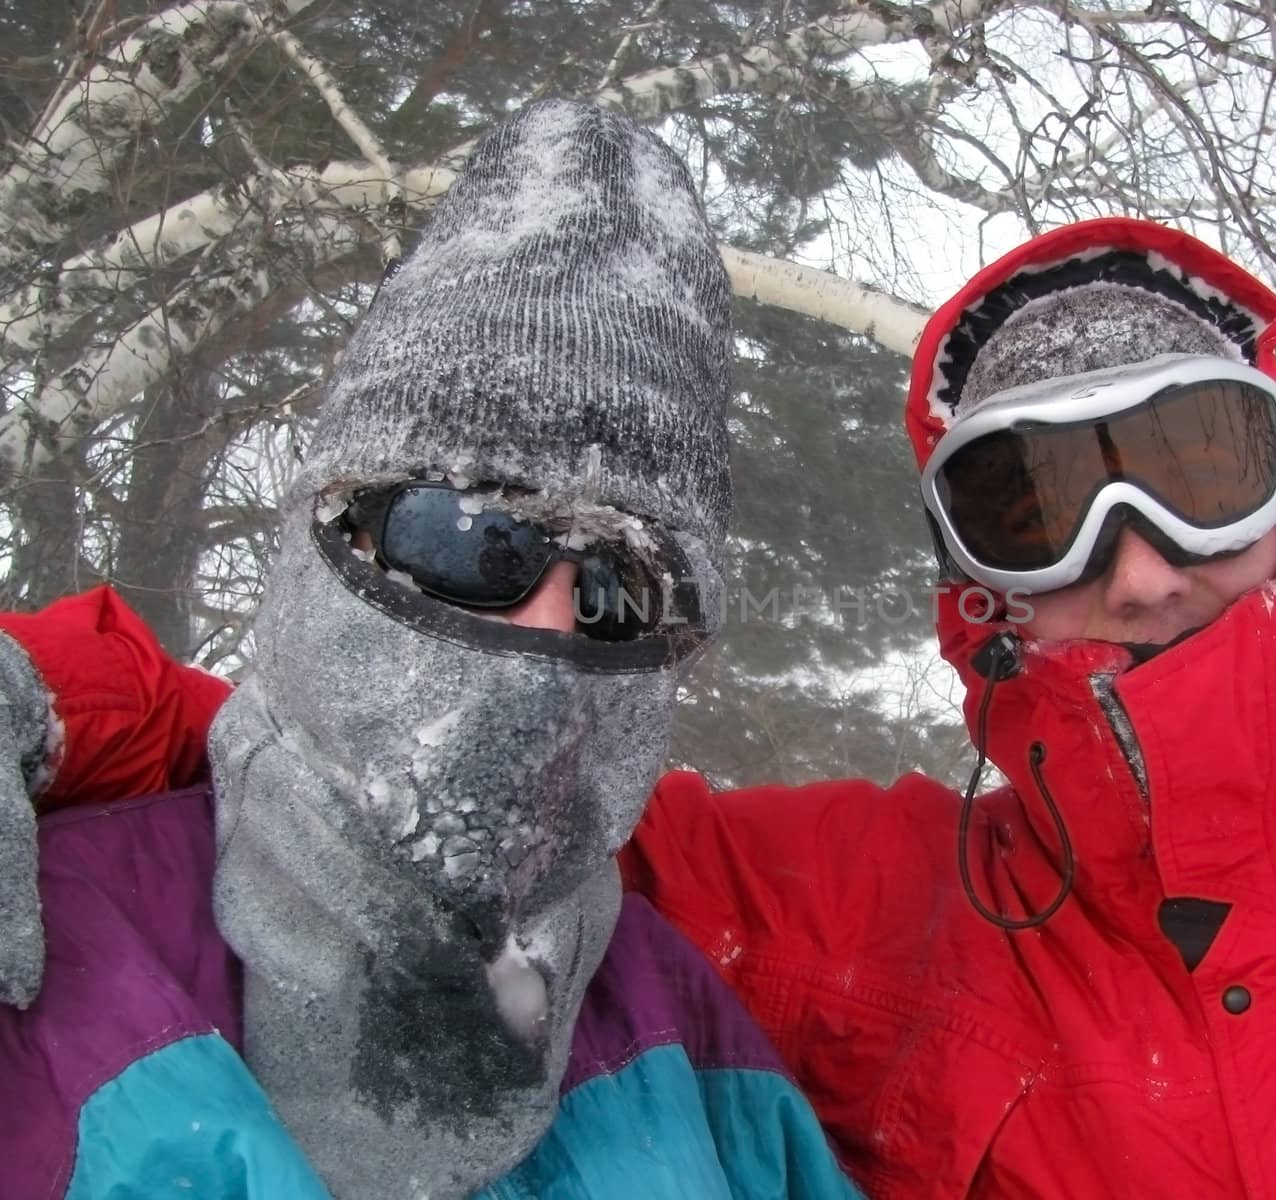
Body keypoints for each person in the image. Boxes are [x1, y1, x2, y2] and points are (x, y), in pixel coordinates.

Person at [7, 212, 1276, 1195]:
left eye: (1195, 465)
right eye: (1037, 502)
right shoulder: (854, 914)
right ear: (975, 582)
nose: (1137, 567)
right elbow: (391, 754)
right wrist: (46, 697)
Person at [0, 100, 860, 1200]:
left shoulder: (687, 1030)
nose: (551, 632)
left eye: (620, 591)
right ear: (328, 535)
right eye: (470, 537)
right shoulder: (61, 944)